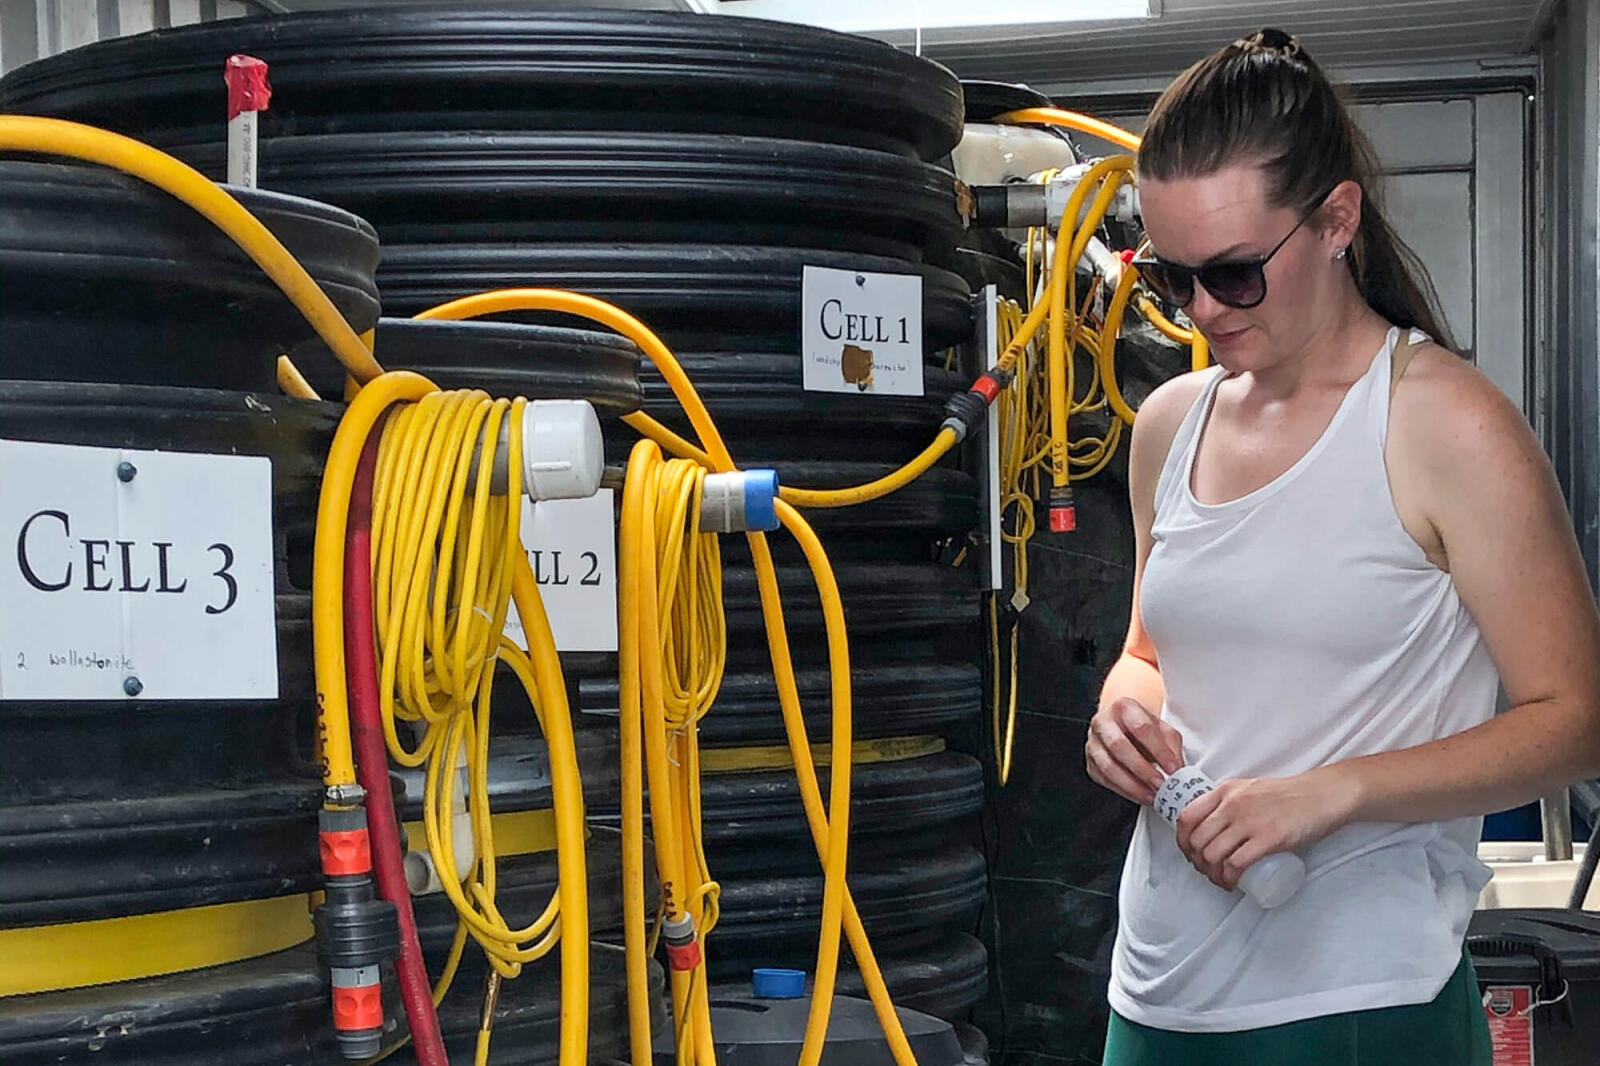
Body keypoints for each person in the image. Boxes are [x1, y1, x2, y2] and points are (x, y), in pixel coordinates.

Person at [1086, 27, 1600, 1065]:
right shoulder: (1168, 428)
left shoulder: (1440, 425)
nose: (1198, 310)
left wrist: (1333, 791)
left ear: (1336, 220)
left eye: (1233, 274)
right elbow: (1151, 647)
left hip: (1357, 1000)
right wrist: (1121, 709)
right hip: (1156, 991)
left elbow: (1577, 721)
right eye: (1169, 279)